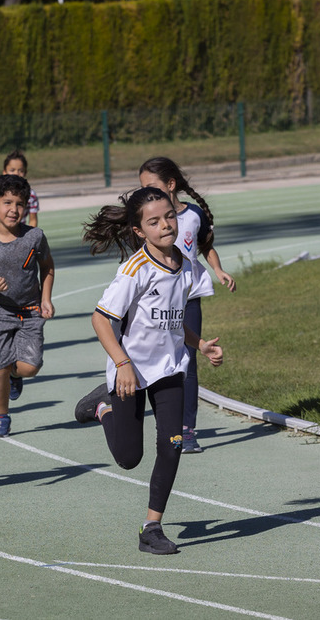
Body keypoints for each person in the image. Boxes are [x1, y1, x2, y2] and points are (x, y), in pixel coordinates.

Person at [75, 186, 224, 555]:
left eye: (169, 217)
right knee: (129, 459)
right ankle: (102, 406)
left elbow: (173, 322)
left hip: (170, 369)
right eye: (154, 222)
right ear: (140, 231)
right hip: (131, 369)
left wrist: (200, 345)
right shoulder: (135, 271)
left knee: (172, 445)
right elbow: (100, 320)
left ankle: (151, 528)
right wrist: (122, 363)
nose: (165, 226)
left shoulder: (188, 266)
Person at [138, 157, 236, 453]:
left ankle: (186, 430)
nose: (145, 193)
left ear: (170, 185)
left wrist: (218, 270)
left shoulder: (193, 216)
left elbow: (205, 247)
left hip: (188, 297)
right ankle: (161, 423)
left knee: (188, 362)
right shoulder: (147, 218)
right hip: (157, 300)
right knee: (157, 361)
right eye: (142, 188)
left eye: (151, 187)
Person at [0, 174, 55, 438]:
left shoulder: (35, 238)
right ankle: (1, 416)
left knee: (30, 367)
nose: (14, 209)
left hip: (30, 311)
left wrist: (45, 298)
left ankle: (14, 374)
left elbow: (47, 267)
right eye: (7, 202)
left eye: (19, 204)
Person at [3, 150, 39, 227]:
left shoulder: (31, 195)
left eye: (21, 170)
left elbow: (33, 220)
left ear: (25, 172)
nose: (16, 173)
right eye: (12, 170)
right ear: (4, 172)